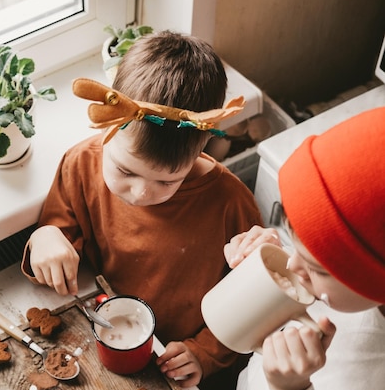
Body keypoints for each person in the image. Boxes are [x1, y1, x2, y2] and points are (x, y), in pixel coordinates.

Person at [21, 30, 263, 389]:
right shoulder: (81, 165)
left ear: (201, 148)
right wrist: (44, 236)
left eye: (167, 182)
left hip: (181, 364)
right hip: (106, 337)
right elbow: (61, 230)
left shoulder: (231, 205)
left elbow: (250, 304)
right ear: (106, 125)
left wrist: (205, 352)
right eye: (124, 170)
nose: (140, 192)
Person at [223, 106, 385, 390]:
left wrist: (292, 387)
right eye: (297, 247)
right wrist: (263, 265)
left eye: (316, 268)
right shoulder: (347, 290)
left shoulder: (367, 366)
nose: (292, 265)